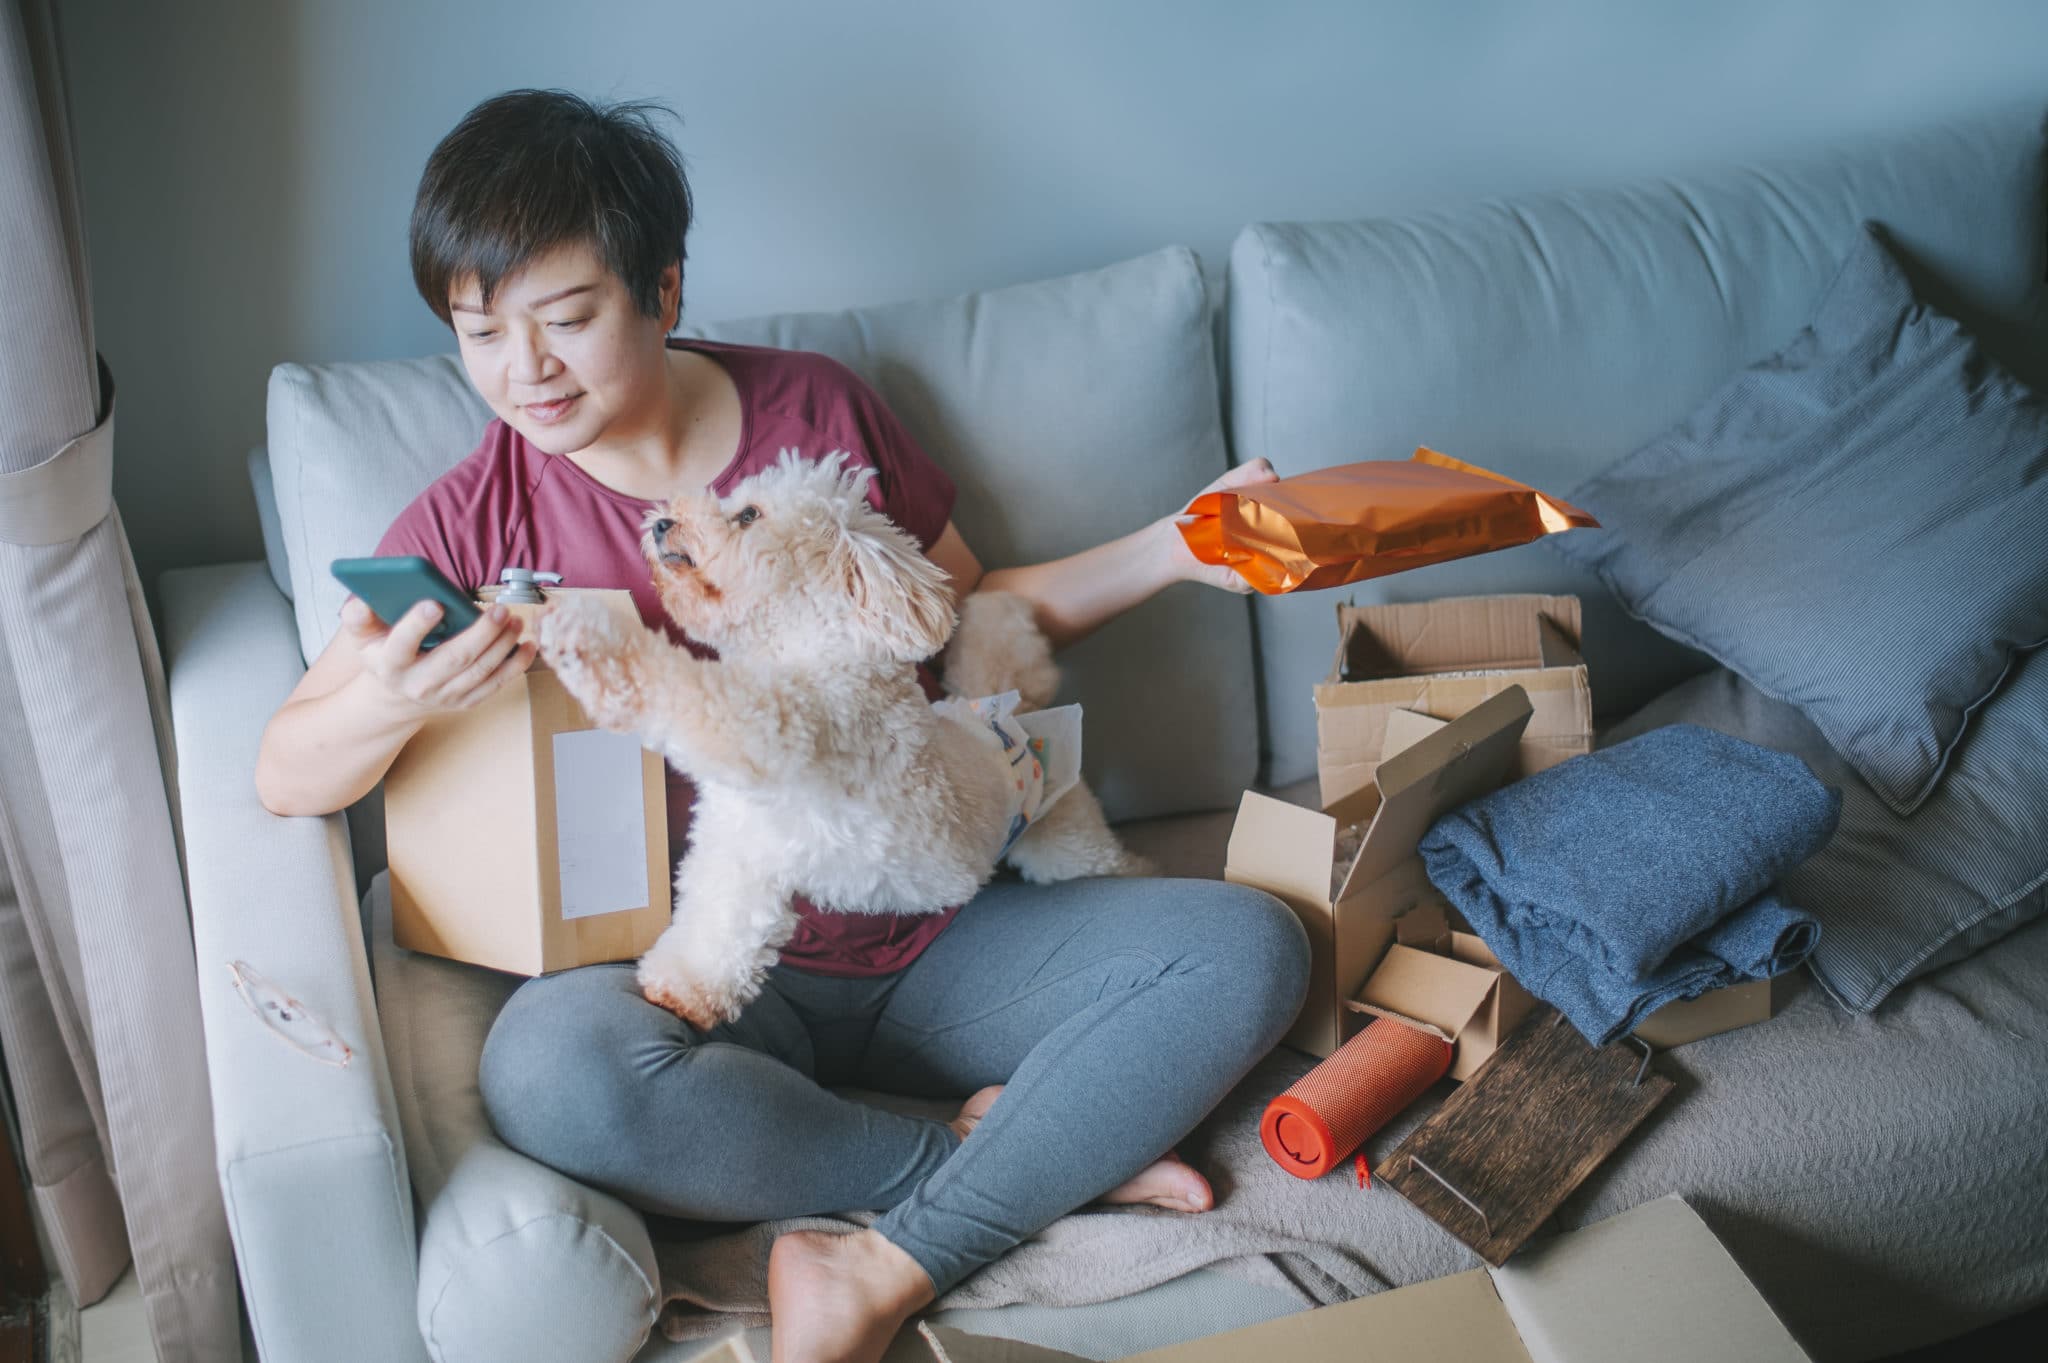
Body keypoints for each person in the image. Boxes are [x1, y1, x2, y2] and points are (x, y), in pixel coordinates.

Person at [255, 88, 1310, 1363]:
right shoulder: (476, 515)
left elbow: (968, 620)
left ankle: (880, 1260)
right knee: (551, 1069)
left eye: (566, 319)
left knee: (1248, 946)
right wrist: (386, 697)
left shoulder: (818, 411)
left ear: (662, 288)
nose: (522, 371)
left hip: (943, 921)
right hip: (706, 969)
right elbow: (282, 769)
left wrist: (1174, 548)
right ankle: (992, 1161)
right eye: (479, 334)